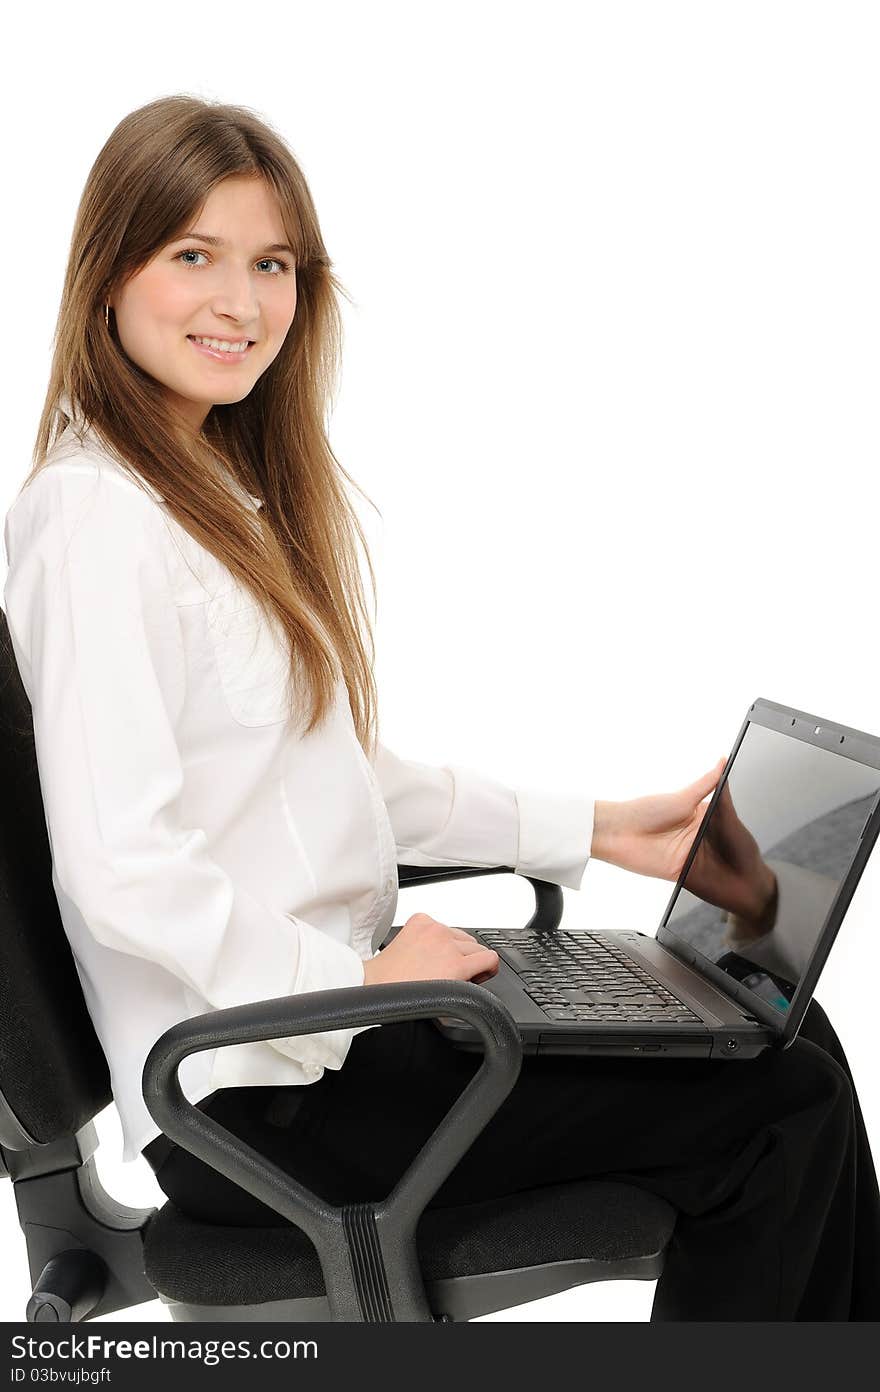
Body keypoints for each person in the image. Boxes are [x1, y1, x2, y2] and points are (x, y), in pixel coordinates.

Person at [3, 93, 878, 1321]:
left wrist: (602, 825)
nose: (240, 304)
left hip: (326, 1040)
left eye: (273, 265)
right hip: (263, 1107)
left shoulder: (197, 490)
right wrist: (361, 981)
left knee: (785, 1042)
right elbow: (123, 869)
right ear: (110, 272)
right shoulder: (97, 518)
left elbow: (340, 780)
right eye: (192, 255)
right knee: (779, 1108)